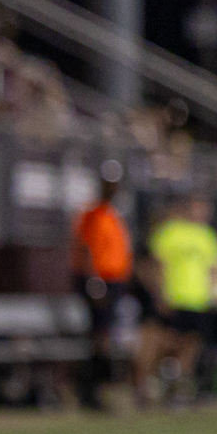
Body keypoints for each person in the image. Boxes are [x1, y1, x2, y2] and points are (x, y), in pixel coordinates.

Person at [135, 197, 217, 404]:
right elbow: (157, 265)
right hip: (173, 296)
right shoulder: (170, 232)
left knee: (191, 342)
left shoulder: (207, 236)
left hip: (197, 300)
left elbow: (215, 268)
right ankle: (150, 385)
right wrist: (160, 294)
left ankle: (180, 387)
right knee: (163, 340)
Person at [70, 162, 134, 412]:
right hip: (99, 281)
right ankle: (92, 390)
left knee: (106, 335)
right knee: (100, 336)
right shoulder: (93, 214)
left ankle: (98, 390)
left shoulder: (112, 214)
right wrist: (93, 281)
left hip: (114, 282)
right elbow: (86, 249)